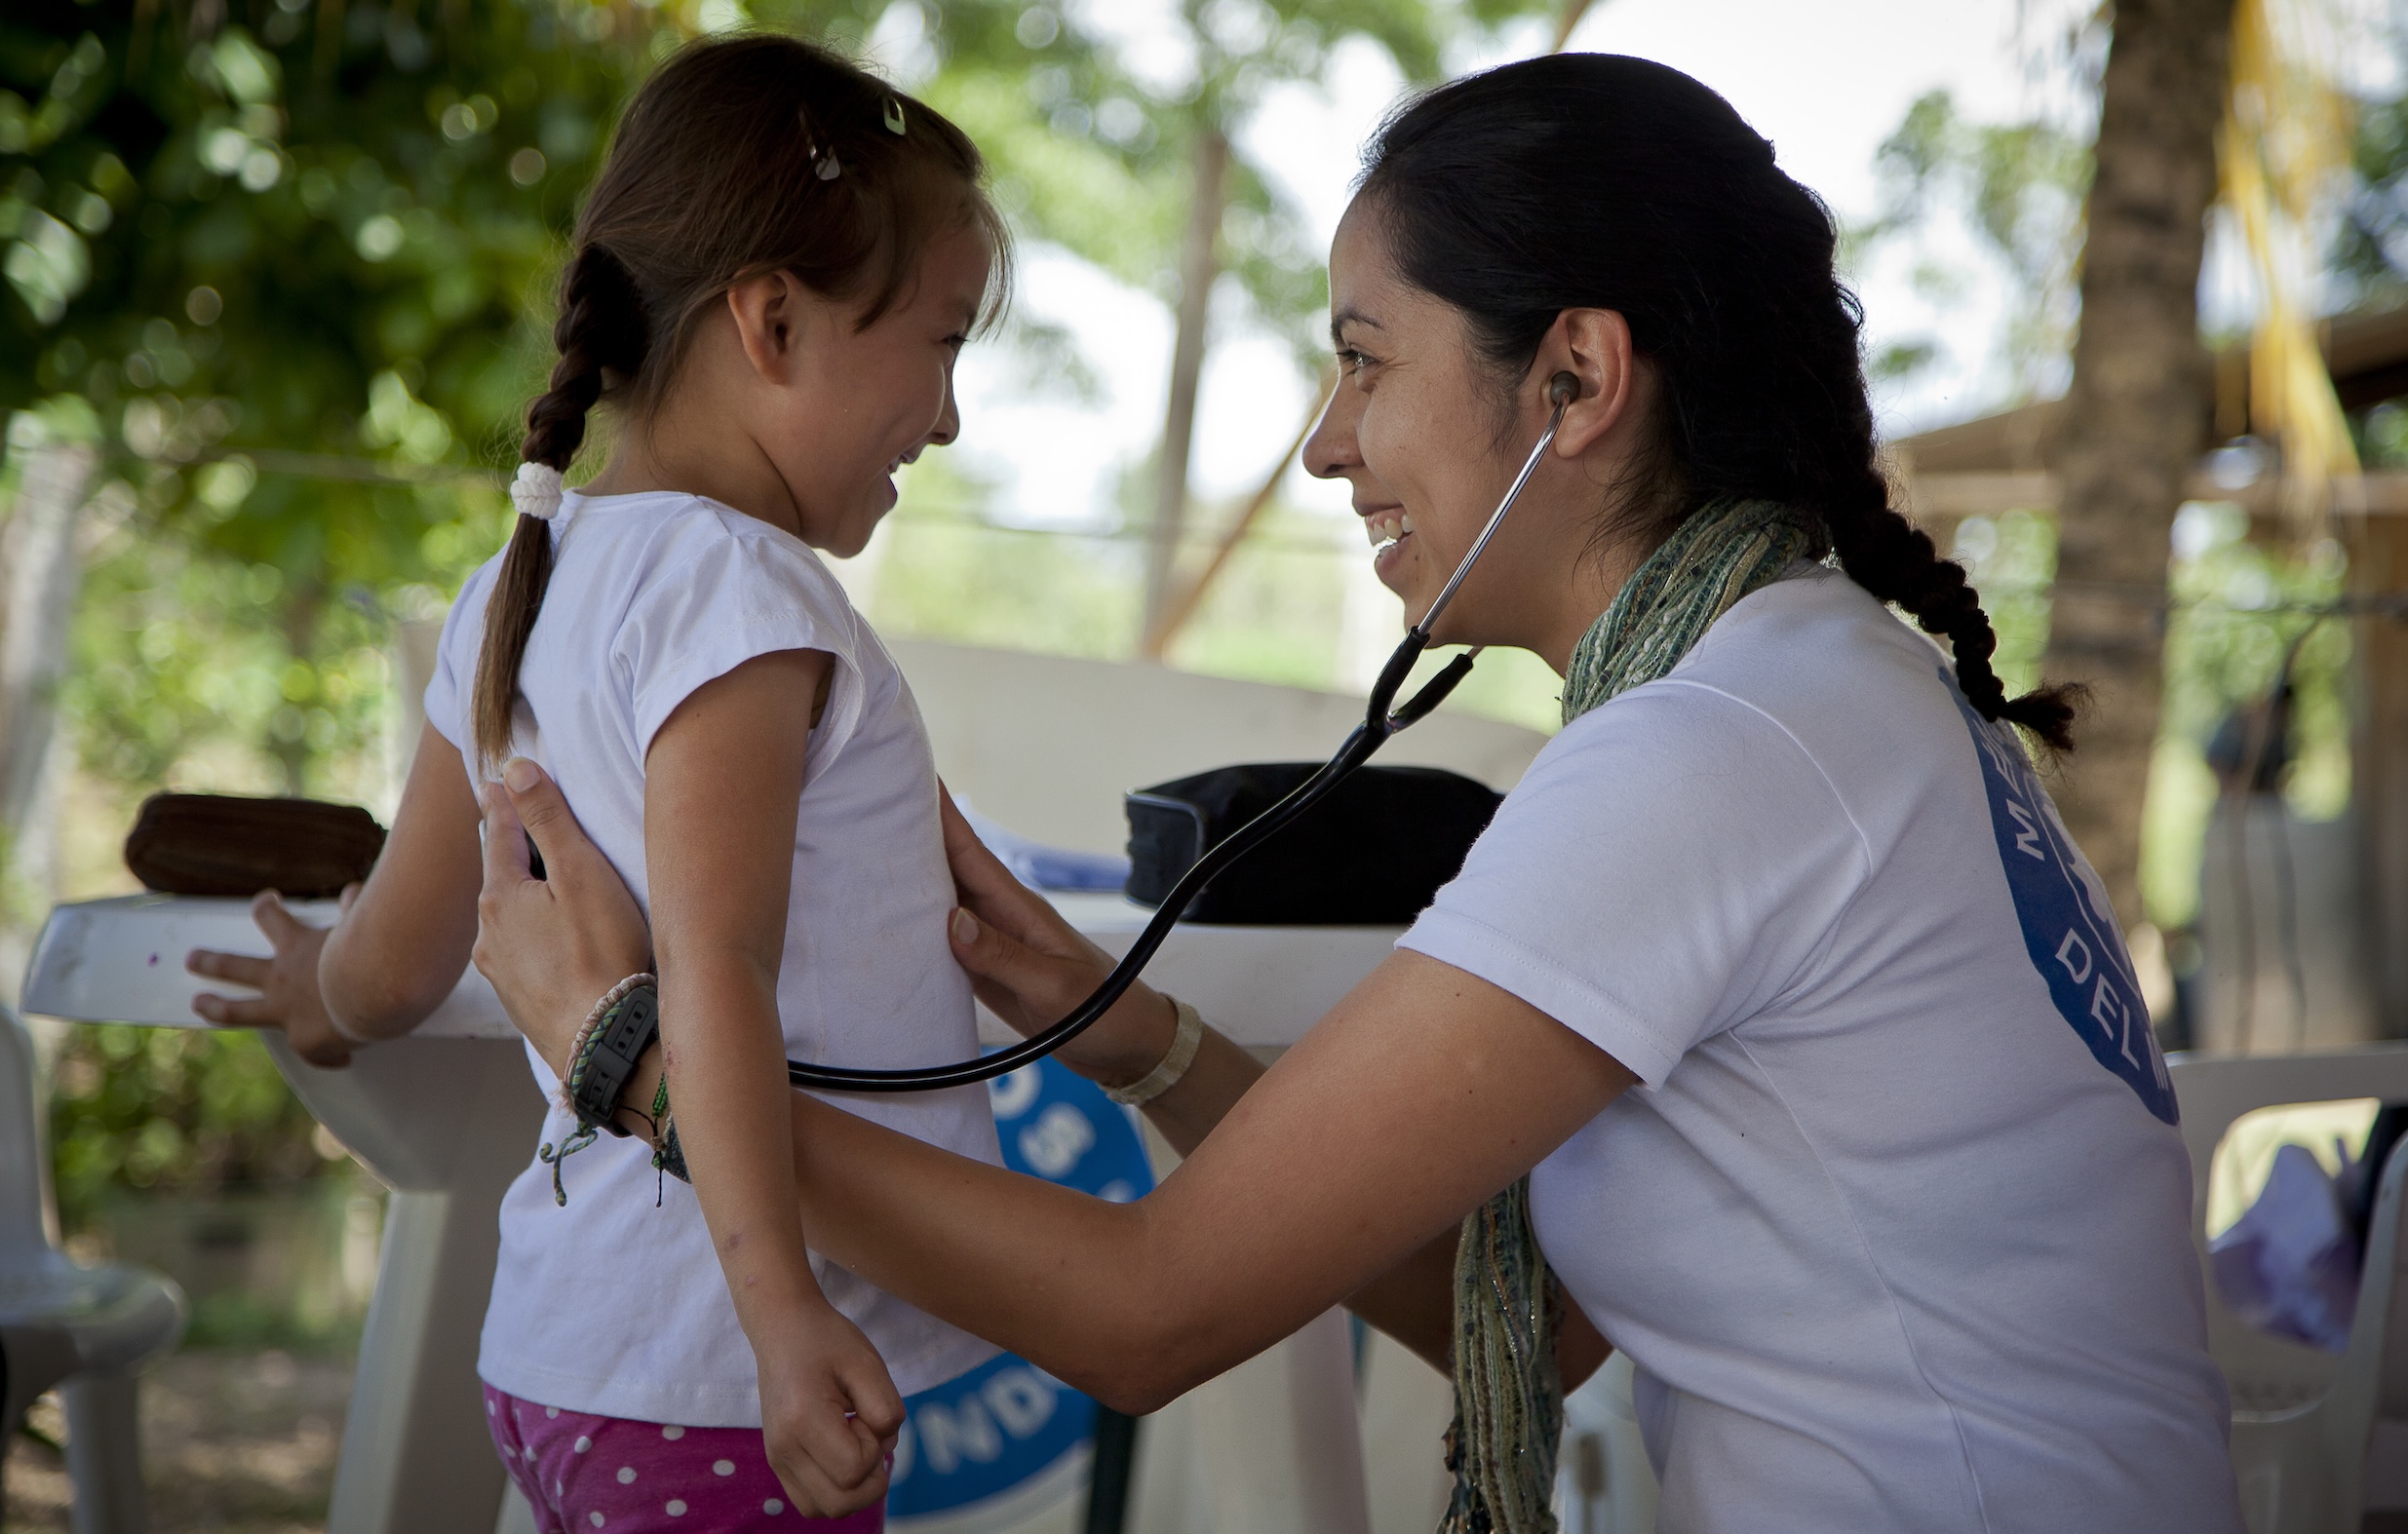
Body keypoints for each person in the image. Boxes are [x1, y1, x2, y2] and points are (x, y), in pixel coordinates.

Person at [471, 52, 2249, 1533]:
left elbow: (1145, 1313)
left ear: (1575, 379)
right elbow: (1539, 1329)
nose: (1327, 440)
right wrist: (1137, 1038)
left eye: (1366, 357)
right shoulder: (1810, 687)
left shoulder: (1719, 756)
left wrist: (636, 1071)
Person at [184, 36, 1011, 1529]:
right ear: (771, 319)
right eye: (943, 343)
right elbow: (717, 974)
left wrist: (317, 986)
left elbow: (401, 951)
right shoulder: (736, 591)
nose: (948, 418)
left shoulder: (527, 575)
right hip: (712, 1373)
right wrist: (779, 1325)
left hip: (566, 1354)